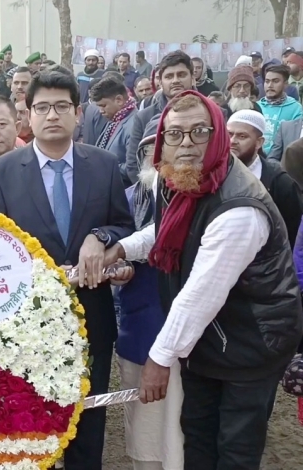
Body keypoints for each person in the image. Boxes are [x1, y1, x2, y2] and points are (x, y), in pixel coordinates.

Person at [104, 90, 302, 470]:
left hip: (251, 342)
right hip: (210, 341)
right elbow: (167, 231)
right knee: (196, 432)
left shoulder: (238, 208)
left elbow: (200, 295)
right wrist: (121, 248)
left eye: (200, 132)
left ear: (219, 137)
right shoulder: (179, 178)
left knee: (234, 448)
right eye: (175, 134)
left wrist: (158, 360)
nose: (187, 144)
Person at [0, 71, 135, 470]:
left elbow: (124, 225)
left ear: (77, 113)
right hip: (27, 324)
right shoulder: (1, 172)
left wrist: (99, 237)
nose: (52, 115)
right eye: (42, 107)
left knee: (88, 422)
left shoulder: (103, 165)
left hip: (92, 317)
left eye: (62, 106)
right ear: (27, 116)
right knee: (34, 428)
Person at [114, 118, 185, 470]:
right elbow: (112, 252)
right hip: (142, 328)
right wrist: (117, 271)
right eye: (153, 150)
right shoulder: (126, 199)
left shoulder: (200, 195)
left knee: (186, 432)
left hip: (193, 337)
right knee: (146, 434)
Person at [227, 110, 303, 243]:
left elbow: (290, 233)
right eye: (229, 134)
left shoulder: (280, 183)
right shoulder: (212, 174)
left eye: (242, 136)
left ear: (259, 142)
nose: (232, 141)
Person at [126, 51, 197, 184]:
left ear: (192, 77)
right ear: (160, 82)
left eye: (181, 75)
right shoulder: (144, 117)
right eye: (169, 76)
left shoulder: (212, 113)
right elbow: (133, 164)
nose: (175, 80)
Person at [89, 75, 137, 184]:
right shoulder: (115, 119)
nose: (101, 111)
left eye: (103, 105)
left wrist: (105, 166)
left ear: (119, 100)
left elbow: (133, 168)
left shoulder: (134, 124)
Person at [258, 64, 303, 155]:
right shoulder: (256, 106)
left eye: (275, 81)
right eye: (267, 81)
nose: (270, 85)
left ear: (285, 84)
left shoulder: (296, 109)